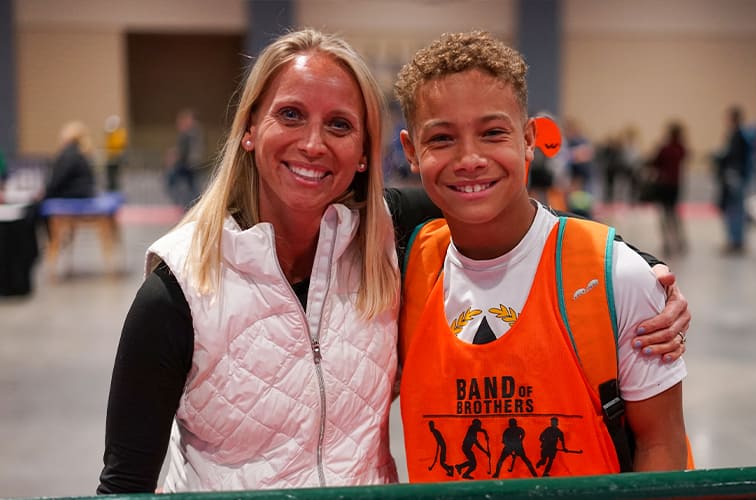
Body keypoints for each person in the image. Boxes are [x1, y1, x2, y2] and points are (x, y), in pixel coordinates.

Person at [98, 29, 689, 494]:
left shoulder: (382, 240)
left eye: (339, 125)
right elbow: (124, 485)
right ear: (250, 128)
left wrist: (637, 267)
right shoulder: (179, 289)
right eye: (290, 115)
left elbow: (505, 211)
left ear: (364, 152)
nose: (313, 144)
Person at [395, 31, 688, 482]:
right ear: (411, 151)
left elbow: (661, 444)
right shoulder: (401, 274)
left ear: (529, 138)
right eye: (442, 138)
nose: (470, 158)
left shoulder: (617, 276)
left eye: (493, 133)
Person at [714, 106, 753, 255]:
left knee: (734, 210)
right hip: (738, 176)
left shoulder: (738, 136)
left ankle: (735, 241)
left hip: (734, 176)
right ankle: (736, 240)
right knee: (736, 210)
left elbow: (732, 157)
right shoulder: (742, 135)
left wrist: (719, 158)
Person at [648, 121, 688, 257]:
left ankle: (667, 242)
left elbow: (654, 163)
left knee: (664, 214)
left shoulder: (664, 149)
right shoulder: (681, 149)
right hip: (676, 185)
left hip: (663, 185)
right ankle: (680, 241)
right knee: (674, 213)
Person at [44, 121, 96, 200]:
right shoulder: (80, 152)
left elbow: (56, 182)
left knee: (32, 206)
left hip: (70, 197)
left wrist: (44, 196)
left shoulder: (68, 154)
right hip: (84, 196)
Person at [165, 108, 204, 208]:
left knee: (176, 181)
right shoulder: (190, 133)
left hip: (189, 165)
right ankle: (190, 204)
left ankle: (189, 204)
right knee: (192, 187)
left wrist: (174, 156)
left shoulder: (191, 133)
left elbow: (185, 151)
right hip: (189, 164)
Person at [103, 115, 128, 192]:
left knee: (115, 174)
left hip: (116, 156)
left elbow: (120, 144)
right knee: (110, 174)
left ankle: (115, 188)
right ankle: (111, 187)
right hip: (110, 156)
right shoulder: (111, 132)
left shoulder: (120, 133)